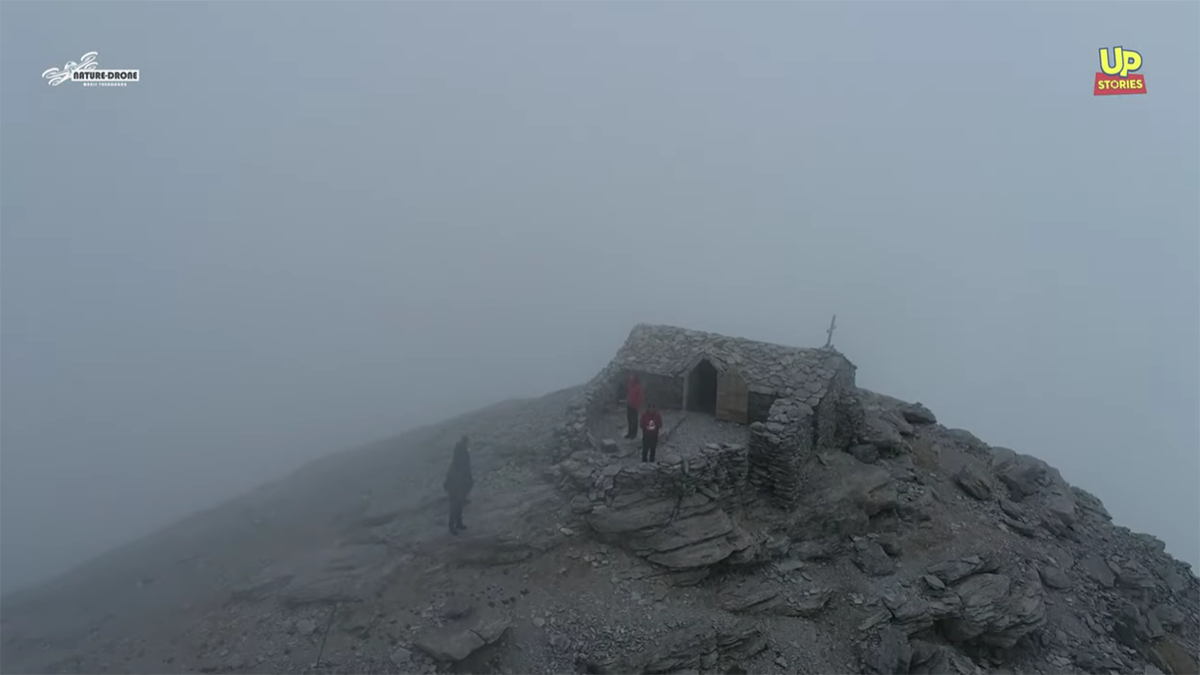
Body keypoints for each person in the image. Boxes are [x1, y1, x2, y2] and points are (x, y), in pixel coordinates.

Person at [443, 435, 473, 535]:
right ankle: (452, 526)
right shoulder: (462, 455)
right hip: (457, 484)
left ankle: (458, 523)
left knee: (458, 505)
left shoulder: (458, 455)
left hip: (457, 483)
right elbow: (465, 469)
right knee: (455, 505)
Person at [625, 374, 643, 440]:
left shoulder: (638, 386)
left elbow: (640, 397)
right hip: (629, 404)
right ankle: (629, 433)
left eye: (632, 377)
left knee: (634, 420)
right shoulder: (630, 385)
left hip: (635, 405)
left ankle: (634, 434)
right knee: (629, 419)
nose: (631, 378)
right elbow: (628, 392)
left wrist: (637, 405)